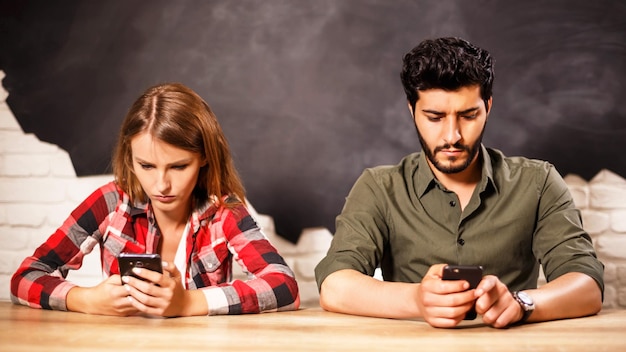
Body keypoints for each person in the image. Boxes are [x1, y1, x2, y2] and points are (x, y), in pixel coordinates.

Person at [314, 37, 603, 328]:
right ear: (412, 110)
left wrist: (520, 304)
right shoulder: (379, 187)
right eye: (435, 117)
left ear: (487, 107)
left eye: (468, 115)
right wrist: (417, 300)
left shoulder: (538, 182)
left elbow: (587, 285)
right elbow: (335, 286)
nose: (452, 135)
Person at [11, 82, 299, 317]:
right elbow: (24, 278)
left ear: (204, 158)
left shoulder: (224, 210)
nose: (161, 185)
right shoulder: (110, 203)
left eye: (178, 166)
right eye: (146, 166)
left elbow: (285, 285)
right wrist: (84, 299)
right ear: (130, 158)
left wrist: (188, 303)